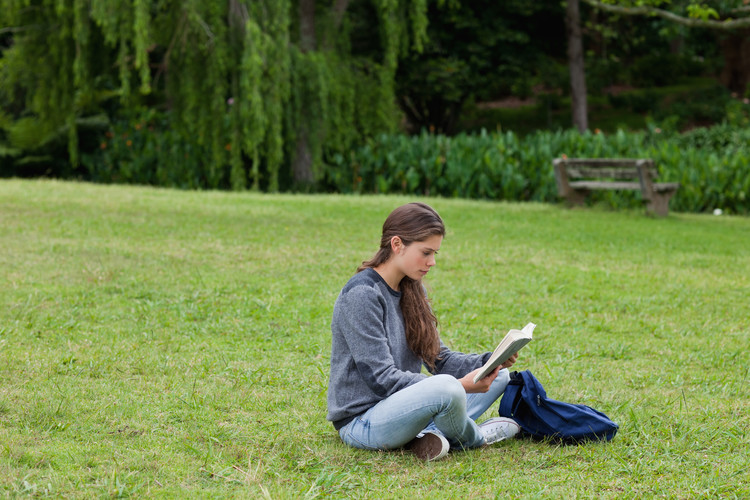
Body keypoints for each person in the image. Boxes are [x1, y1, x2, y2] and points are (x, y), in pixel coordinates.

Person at [326, 202, 521, 461]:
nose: (432, 262)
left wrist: (488, 362)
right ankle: (478, 437)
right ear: (397, 244)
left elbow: (438, 358)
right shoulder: (362, 295)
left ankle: (427, 435)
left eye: (435, 254)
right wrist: (460, 386)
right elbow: (382, 380)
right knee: (447, 390)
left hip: (407, 409)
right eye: (426, 252)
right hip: (363, 422)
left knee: (500, 376)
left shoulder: (413, 288)